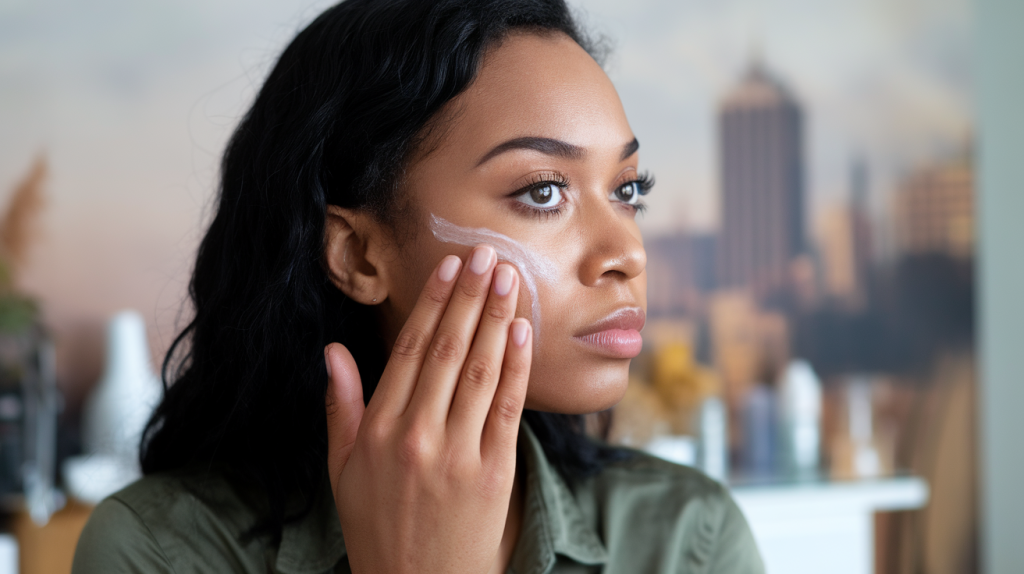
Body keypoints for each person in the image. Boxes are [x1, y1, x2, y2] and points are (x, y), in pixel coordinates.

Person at [72, 0, 764, 572]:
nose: (627, 253)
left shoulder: (689, 541)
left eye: (626, 189)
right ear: (359, 255)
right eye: (544, 190)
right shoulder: (159, 551)